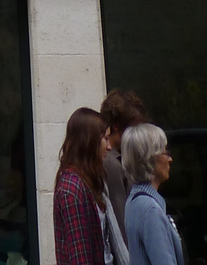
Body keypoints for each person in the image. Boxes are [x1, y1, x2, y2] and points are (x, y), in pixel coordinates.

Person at [54, 107, 111, 265]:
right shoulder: (71, 189)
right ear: (89, 141)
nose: (109, 147)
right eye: (105, 139)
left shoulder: (87, 181)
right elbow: (80, 257)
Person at [121, 124, 184, 265]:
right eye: (165, 151)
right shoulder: (150, 209)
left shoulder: (135, 199)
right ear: (150, 159)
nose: (170, 159)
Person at [100, 91, 148, 241]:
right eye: (134, 128)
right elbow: (122, 222)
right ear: (116, 127)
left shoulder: (121, 159)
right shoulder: (111, 165)